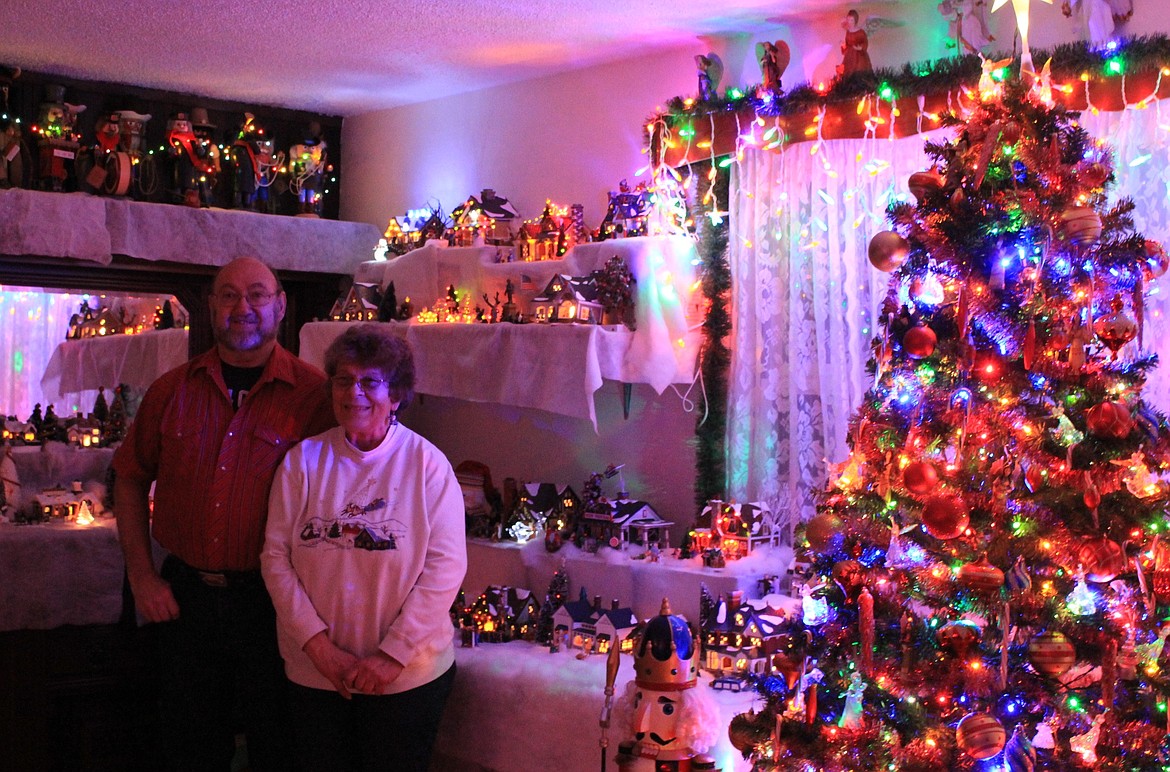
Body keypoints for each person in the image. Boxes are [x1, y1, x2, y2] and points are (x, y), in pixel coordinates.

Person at [113, 255, 333, 771]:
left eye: (257, 294)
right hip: (184, 601)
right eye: (229, 295)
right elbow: (128, 477)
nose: (243, 307)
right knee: (189, 748)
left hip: (275, 604)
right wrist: (143, 578)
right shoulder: (171, 390)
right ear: (210, 307)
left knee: (279, 746)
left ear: (280, 306)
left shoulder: (317, 397)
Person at [261, 324, 466, 772]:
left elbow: (446, 567)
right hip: (314, 673)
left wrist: (391, 656)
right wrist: (319, 649)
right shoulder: (302, 461)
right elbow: (275, 558)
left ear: (395, 395)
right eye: (342, 379)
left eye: (370, 381)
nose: (353, 391)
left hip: (408, 677)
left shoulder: (427, 465)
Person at [838, 10, 873, 77]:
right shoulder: (848, 32)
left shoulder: (860, 32)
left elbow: (865, 42)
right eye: (848, 20)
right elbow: (847, 45)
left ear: (855, 20)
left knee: (859, 72)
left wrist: (861, 47)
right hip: (850, 57)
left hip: (859, 57)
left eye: (851, 20)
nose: (849, 22)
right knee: (849, 74)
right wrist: (843, 45)